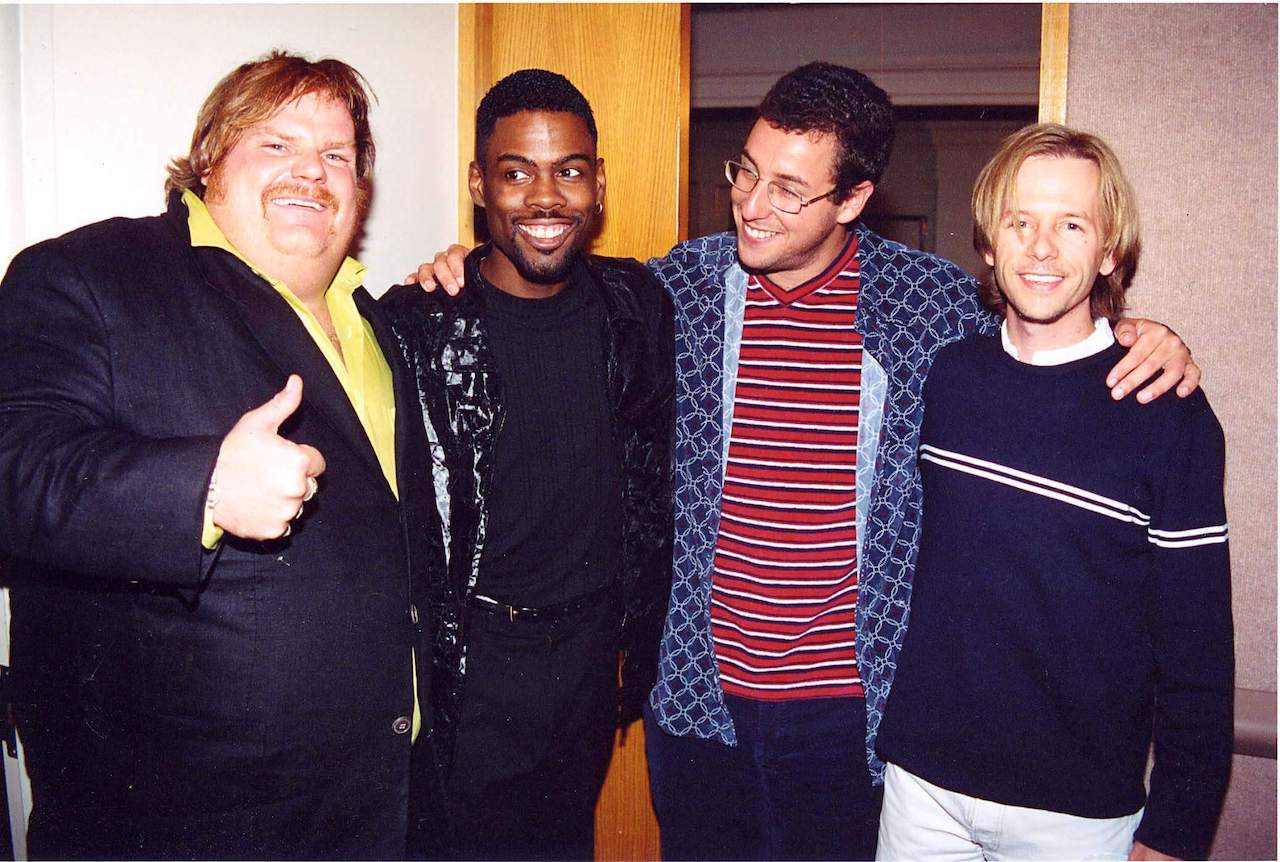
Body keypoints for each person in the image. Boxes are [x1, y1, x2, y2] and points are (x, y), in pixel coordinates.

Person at [414, 62, 1198, 861]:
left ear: (854, 200)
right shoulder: (674, 291)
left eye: (790, 190)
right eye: (746, 172)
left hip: (854, 721)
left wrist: (1137, 332)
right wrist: (456, 275)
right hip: (697, 701)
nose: (753, 206)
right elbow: (548, 290)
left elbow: (1039, 344)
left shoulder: (930, 305)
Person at [0, 51, 436, 859]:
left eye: (337, 156)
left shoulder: (380, 325)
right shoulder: (89, 277)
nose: (312, 172)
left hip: (374, 806)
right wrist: (201, 491)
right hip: (184, 827)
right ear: (210, 159)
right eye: (277, 144)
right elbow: (13, 473)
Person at [875, 124, 1232, 862]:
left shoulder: (1169, 414)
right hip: (922, 789)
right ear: (989, 241)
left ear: (1108, 250)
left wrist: (1177, 829)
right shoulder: (952, 377)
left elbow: (1197, 646)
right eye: (1020, 221)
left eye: (1071, 224)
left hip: (1076, 814)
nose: (1041, 248)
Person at [380, 69, 673, 861]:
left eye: (570, 171)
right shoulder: (416, 325)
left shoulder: (637, 306)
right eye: (517, 173)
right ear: (480, 184)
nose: (547, 198)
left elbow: (650, 484)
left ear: (599, 183)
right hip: (473, 667)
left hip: (587, 663)